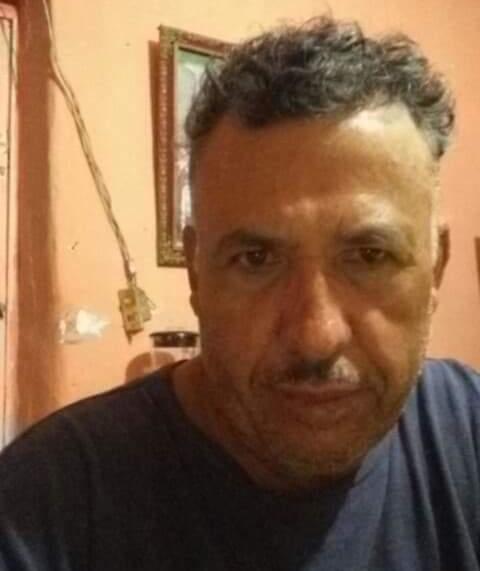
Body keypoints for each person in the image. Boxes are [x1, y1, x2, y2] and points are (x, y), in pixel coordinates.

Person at [1, 15, 478, 571]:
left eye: (370, 256)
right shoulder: (44, 507)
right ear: (196, 272)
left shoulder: (468, 437)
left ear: (436, 268)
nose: (316, 335)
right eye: (256, 260)